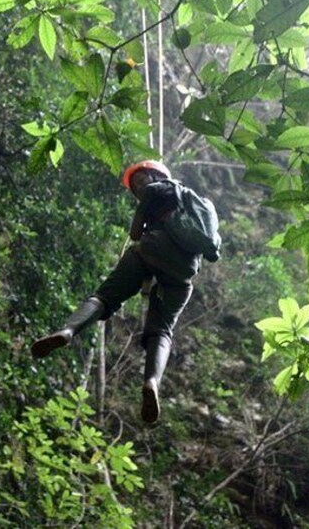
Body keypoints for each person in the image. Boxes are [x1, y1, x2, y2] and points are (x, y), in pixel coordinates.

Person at [31, 160, 217, 424]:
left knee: (105, 297)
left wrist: (144, 217)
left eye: (140, 182)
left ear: (155, 176)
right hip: (183, 274)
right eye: (136, 187)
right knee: (162, 330)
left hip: (149, 251)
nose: (139, 188)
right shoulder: (197, 202)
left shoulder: (154, 190)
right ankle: (152, 381)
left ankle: (67, 331)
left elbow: (135, 233)